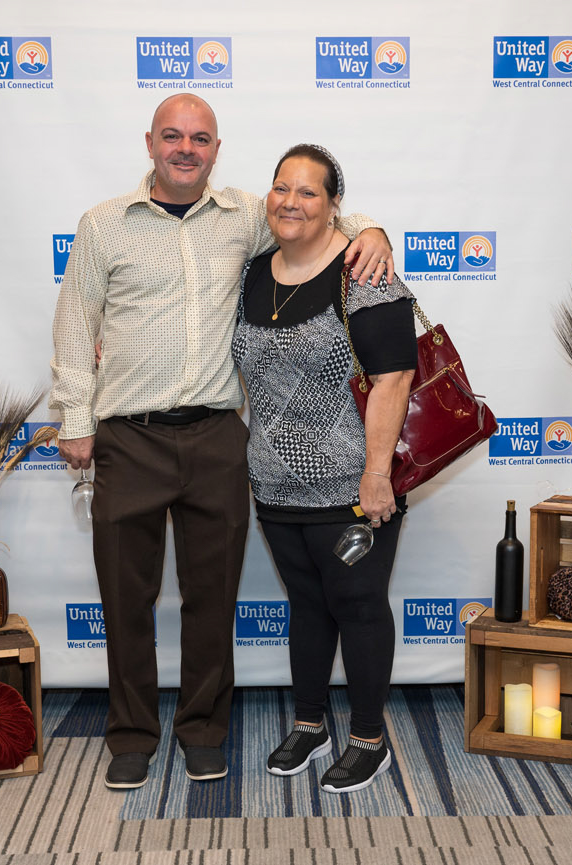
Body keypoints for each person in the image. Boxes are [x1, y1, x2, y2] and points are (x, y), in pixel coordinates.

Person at [50, 95, 394, 790]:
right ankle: (131, 736)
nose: (186, 148)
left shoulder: (246, 216)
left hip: (215, 438)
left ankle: (204, 731)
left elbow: (319, 222)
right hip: (127, 436)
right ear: (149, 142)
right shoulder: (102, 225)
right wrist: (75, 418)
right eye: (172, 136)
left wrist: (372, 228)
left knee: (213, 598)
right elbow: (73, 320)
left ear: (216, 148)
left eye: (200, 138)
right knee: (125, 598)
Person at [231, 144, 417, 793]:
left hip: (350, 490)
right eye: (282, 187)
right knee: (307, 608)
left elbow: (395, 377)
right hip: (276, 491)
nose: (291, 201)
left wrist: (375, 474)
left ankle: (369, 739)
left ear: (334, 203)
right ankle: (309, 724)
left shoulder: (364, 269)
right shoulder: (253, 272)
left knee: (358, 605)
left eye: (309, 192)